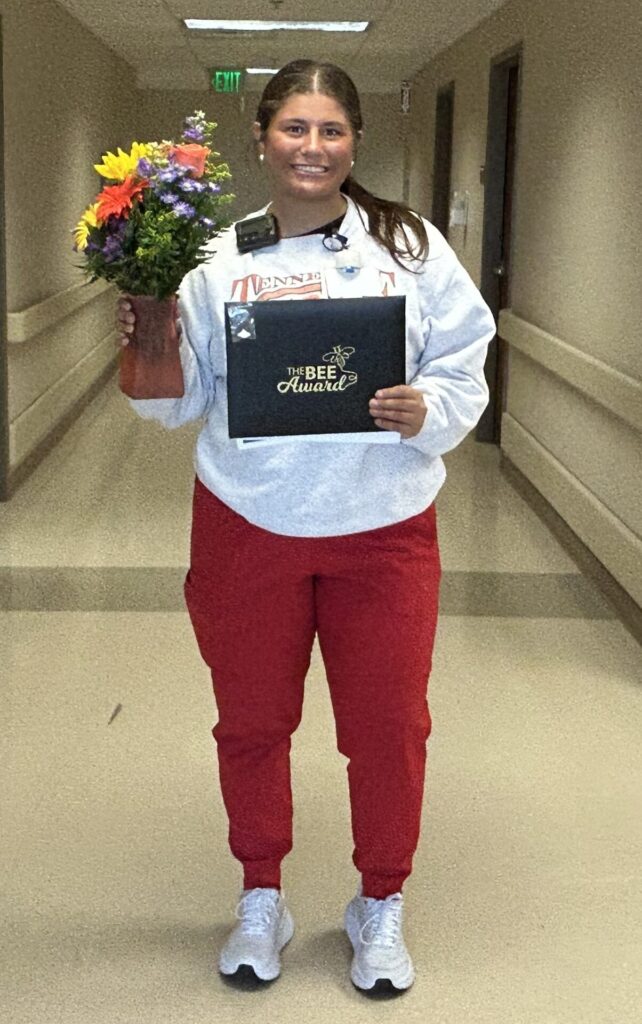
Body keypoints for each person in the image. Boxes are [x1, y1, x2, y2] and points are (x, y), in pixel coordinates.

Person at [117, 59, 496, 994]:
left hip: (383, 524)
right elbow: (182, 403)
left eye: (330, 131)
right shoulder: (215, 259)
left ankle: (380, 900)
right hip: (250, 520)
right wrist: (151, 340)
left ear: (354, 141)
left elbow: (465, 358)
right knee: (251, 723)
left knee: (389, 727)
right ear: (263, 139)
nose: (312, 148)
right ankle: (261, 893)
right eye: (295, 129)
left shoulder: (409, 249)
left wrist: (430, 407)